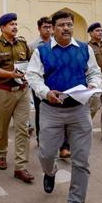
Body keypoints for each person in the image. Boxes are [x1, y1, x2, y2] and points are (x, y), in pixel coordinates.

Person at [26, 10, 102, 203]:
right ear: (53, 28)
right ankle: (50, 172)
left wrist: (94, 84)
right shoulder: (41, 52)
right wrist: (45, 92)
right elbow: (32, 75)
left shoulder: (85, 49)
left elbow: (94, 72)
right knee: (46, 154)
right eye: (61, 25)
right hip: (51, 111)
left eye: (69, 24)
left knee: (81, 160)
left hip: (79, 110)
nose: (66, 28)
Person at [0, 13, 35, 183]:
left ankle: (21, 167)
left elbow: (30, 62)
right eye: (11, 24)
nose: (14, 26)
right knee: (2, 127)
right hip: (3, 91)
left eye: (15, 23)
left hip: (22, 91)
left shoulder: (22, 43)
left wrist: (30, 75)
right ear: (2, 27)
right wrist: (9, 74)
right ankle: (1, 154)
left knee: (23, 128)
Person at [29, 16, 70, 156]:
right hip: (40, 88)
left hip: (58, 86)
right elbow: (30, 70)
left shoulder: (59, 44)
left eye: (50, 27)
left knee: (63, 113)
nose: (48, 30)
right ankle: (42, 140)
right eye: (45, 27)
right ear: (39, 29)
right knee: (41, 114)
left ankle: (64, 146)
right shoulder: (33, 46)